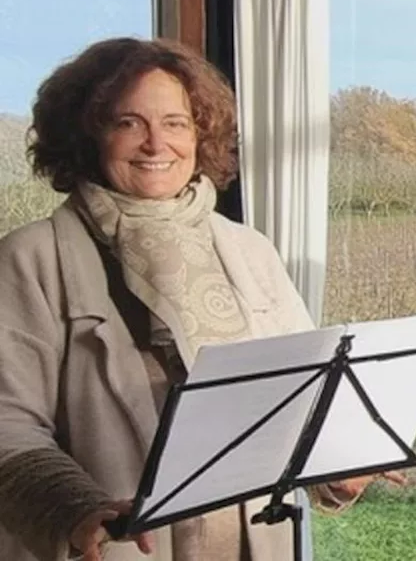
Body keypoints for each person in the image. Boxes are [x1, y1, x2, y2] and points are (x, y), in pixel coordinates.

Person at [0, 38, 393, 561]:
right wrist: (71, 506)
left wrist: (337, 470)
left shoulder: (249, 249)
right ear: (86, 135)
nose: (156, 144)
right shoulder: (31, 258)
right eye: (128, 123)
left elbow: (305, 391)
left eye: (176, 123)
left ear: (201, 134)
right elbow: (8, 422)